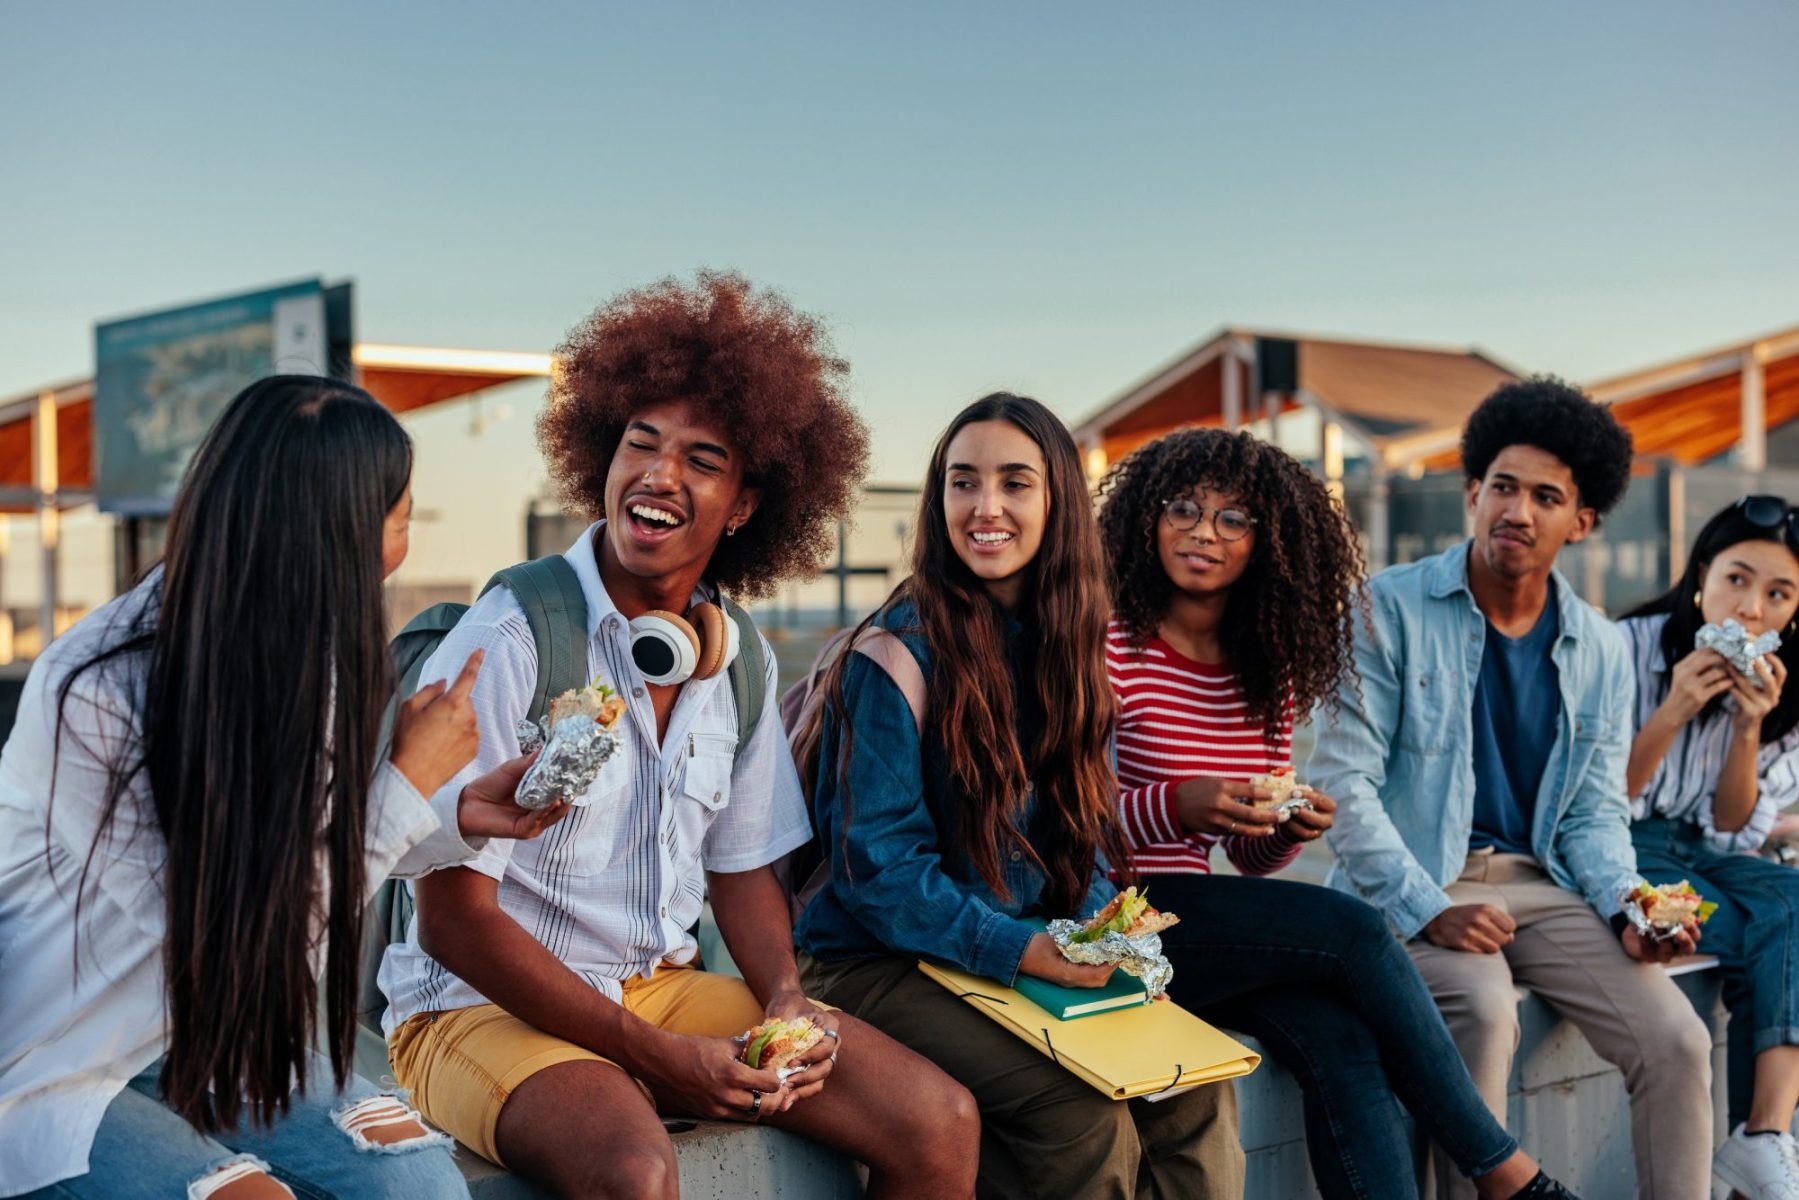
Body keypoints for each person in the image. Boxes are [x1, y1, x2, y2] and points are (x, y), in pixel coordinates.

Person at [379, 272, 980, 1200]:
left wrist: (783, 995)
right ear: (602, 458)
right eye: (640, 443)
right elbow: (452, 921)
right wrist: (653, 1055)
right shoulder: (510, 633)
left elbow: (742, 869)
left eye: (702, 460)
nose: (658, 475)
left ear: (743, 504)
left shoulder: (736, 655)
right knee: (632, 1172)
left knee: (937, 1123)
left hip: (656, 985)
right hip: (474, 1009)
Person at [0, 376, 568, 1200]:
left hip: (212, 1040)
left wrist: (449, 812)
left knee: (421, 1190)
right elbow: (237, 945)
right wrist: (407, 786)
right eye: (401, 516)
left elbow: (307, 861)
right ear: (335, 534)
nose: (404, 538)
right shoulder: (94, 693)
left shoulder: (305, 656)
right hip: (51, 1061)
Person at [1095, 425, 1576, 1200]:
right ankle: (1503, 1171)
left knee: (1339, 1037)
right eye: (1181, 508)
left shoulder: (1266, 674)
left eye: (1232, 519)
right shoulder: (1104, 644)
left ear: (1269, 541)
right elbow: (1048, 816)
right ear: (1143, 518)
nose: (1201, 533)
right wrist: (1172, 806)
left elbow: (1249, 861)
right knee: (1348, 929)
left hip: (1193, 930)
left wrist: (1281, 832)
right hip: (1100, 917)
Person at [795, 392, 1243, 1199]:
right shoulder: (893, 654)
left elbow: (1091, 838)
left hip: (1019, 952)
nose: (985, 507)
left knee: (1194, 1089)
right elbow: (877, 870)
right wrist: (1020, 951)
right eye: (962, 483)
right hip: (876, 962)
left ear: (1057, 501)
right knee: (1080, 1116)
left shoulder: (1073, 649)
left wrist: (1105, 944)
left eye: (1014, 482)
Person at [1309, 376, 1716, 1200]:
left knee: (1677, 1039)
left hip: (1543, 885)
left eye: (1544, 496)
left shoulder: (1597, 647)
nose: (1516, 511)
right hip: (1415, 882)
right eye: (1501, 487)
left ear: (1582, 521)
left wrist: (1624, 906)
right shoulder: (1383, 609)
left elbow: (1596, 815)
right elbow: (1340, 786)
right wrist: (1429, 908)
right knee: (1484, 1018)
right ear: (1471, 492)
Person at [1620, 495, 1799, 1199]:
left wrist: (1747, 729)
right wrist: (1674, 710)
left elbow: (1731, 828)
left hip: (1699, 847)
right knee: (1769, 939)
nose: (1749, 607)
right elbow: (1594, 805)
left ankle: (1764, 1135)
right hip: (1625, 845)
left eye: (1777, 593)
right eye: (1735, 578)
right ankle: (1758, 1156)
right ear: (1700, 576)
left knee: (1790, 900)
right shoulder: (1626, 646)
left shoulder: (1781, 688)